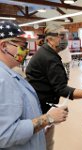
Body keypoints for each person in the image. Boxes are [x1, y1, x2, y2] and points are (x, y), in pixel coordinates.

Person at [25, 24, 82, 150]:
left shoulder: (45, 52)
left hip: (38, 106)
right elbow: (61, 89)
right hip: (41, 110)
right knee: (44, 144)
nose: (65, 40)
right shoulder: (49, 58)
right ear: (50, 39)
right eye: (61, 36)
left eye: (66, 36)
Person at [0, 21, 68, 150]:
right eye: (22, 45)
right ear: (4, 46)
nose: (26, 50)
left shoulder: (10, 74)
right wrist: (47, 119)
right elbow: (5, 134)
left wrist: (41, 127)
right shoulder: (2, 79)